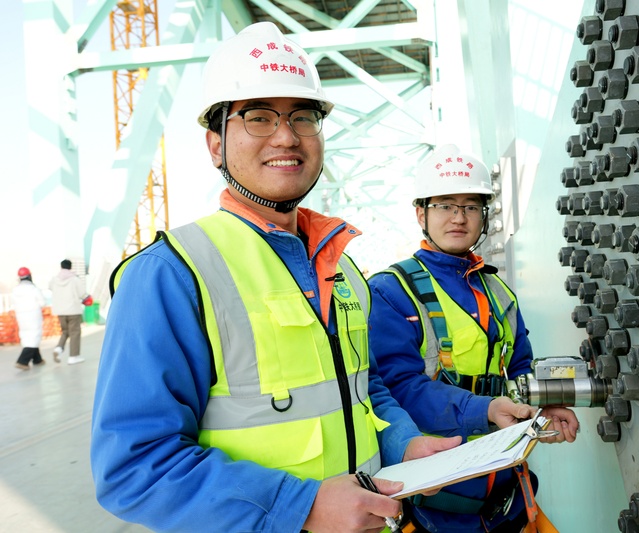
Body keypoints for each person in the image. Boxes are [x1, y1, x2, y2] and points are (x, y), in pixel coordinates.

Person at [90, 22, 460, 533]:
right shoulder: (172, 273)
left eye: (303, 116)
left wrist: (404, 442)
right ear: (215, 145)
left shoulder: (342, 267)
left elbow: (361, 386)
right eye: (259, 116)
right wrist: (301, 506)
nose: (287, 135)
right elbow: (133, 469)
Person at [368, 145, 580, 533]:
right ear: (421, 214)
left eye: (471, 206)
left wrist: (543, 405)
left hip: (509, 497)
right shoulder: (390, 292)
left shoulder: (496, 291)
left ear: (484, 216)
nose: (458, 217)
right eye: (445, 205)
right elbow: (398, 387)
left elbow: (519, 367)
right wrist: (485, 408)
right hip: (436, 504)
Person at [49, 259, 87, 364]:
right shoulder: (74, 279)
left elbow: (50, 287)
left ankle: (58, 349)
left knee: (65, 331)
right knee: (75, 333)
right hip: (73, 310)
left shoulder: (54, 279)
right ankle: (73, 357)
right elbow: (82, 293)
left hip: (60, 311)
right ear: (70, 267)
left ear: (61, 267)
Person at [12, 267, 46, 370]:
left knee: (27, 336)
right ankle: (22, 361)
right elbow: (42, 303)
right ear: (29, 276)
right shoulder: (34, 289)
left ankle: (37, 359)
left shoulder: (15, 290)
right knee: (34, 336)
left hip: (21, 316)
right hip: (33, 316)